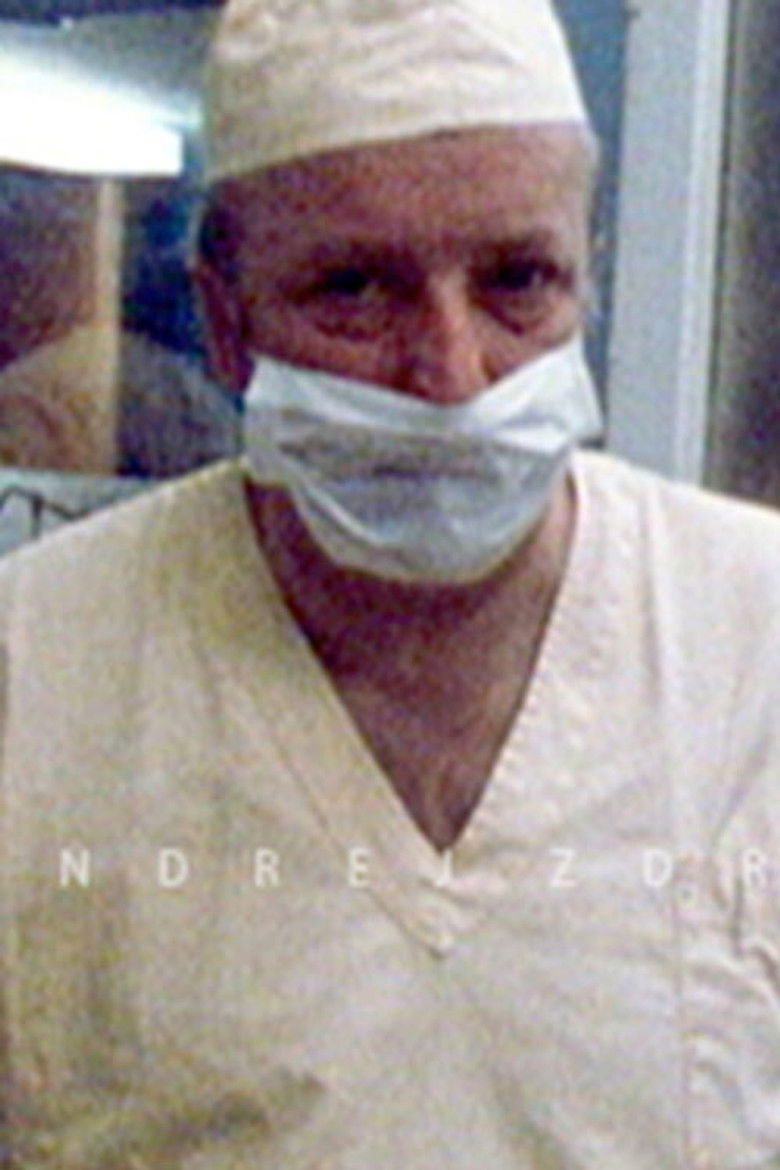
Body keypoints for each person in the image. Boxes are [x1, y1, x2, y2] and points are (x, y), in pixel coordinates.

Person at [1, 1, 780, 1166]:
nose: (452, 377)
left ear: (591, 281)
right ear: (224, 319)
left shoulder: (755, 645)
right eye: (356, 289)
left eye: (519, 280)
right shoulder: (36, 677)